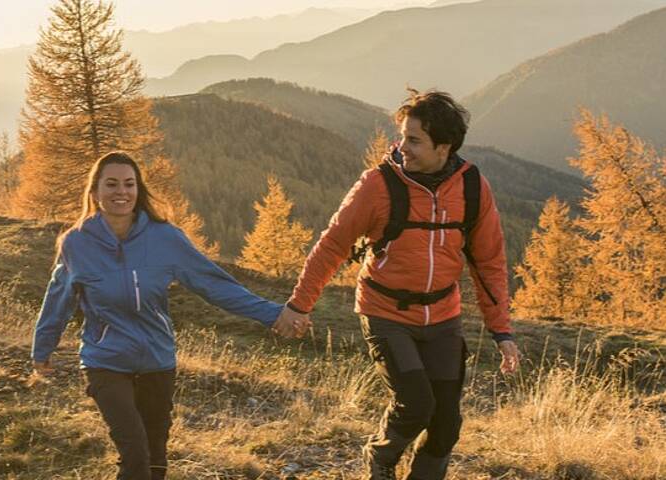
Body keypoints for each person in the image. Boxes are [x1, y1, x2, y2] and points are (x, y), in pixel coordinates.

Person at [274, 89, 521, 480]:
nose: (401, 146)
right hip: (385, 311)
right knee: (416, 403)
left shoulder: (472, 188)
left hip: (443, 316)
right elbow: (332, 245)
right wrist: (299, 305)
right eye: (402, 136)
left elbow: (489, 263)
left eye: (413, 140)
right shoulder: (378, 185)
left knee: (446, 424)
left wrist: (501, 330)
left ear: (445, 146)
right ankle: (381, 457)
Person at [31, 151, 304, 480]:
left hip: (157, 361)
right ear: (94, 191)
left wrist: (274, 315)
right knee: (134, 453)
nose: (122, 192)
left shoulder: (165, 238)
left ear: (139, 190)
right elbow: (57, 298)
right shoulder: (76, 243)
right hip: (105, 360)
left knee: (155, 457)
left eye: (129, 184)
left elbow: (215, 285)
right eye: (112, 184)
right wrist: (42, 349)